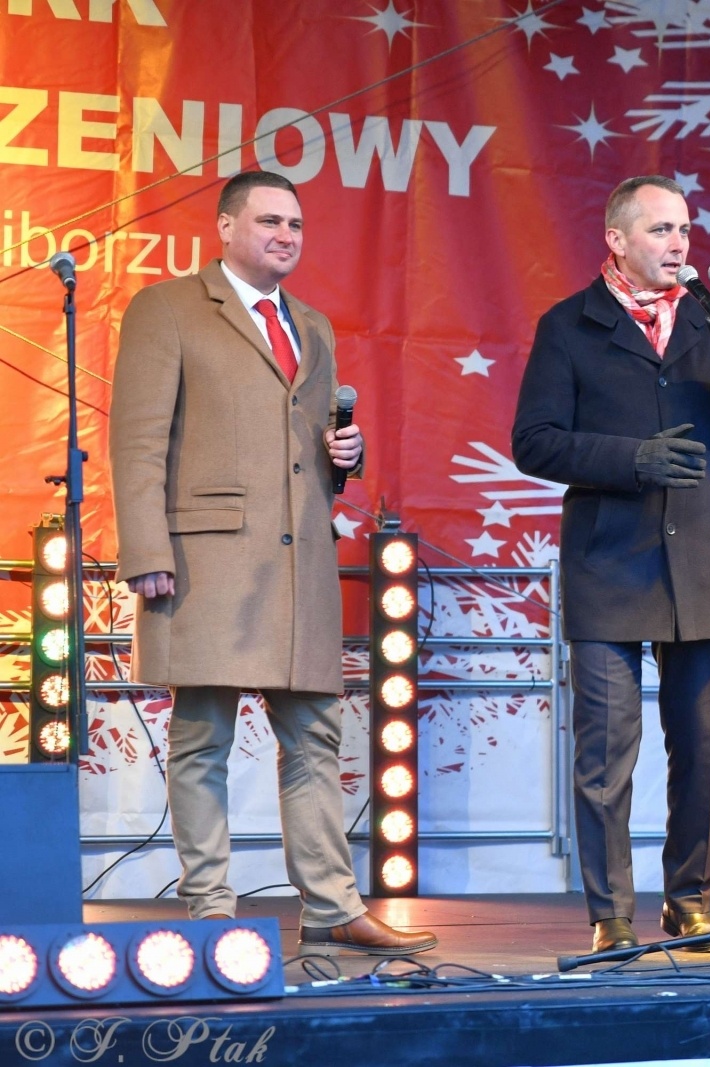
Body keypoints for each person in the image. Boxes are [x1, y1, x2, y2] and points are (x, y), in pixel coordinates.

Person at [110, 171, 436, 955]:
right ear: (224, 227)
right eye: (268, 221)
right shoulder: (168, 308)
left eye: (295, 224)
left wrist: (343, 457)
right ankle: (211, 911)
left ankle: (330, 905)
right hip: (208, 560)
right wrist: (147, 550)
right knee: (202, 738)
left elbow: (311, 464)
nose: (286, 235)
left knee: (316, 737)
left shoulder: (313, 324)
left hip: (297, 567)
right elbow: (138, 438)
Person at [510, 175, 710, 953]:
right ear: (617, 240)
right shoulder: (570, 325)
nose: (679, 245)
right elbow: (534, 441)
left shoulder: (709, 318)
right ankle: (611, 912)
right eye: (661, 231)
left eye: (685, 231)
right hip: (609, 565)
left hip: (695, 564)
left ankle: (689, 897)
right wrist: (632, 459)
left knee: (699, 746)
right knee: (606, 752)